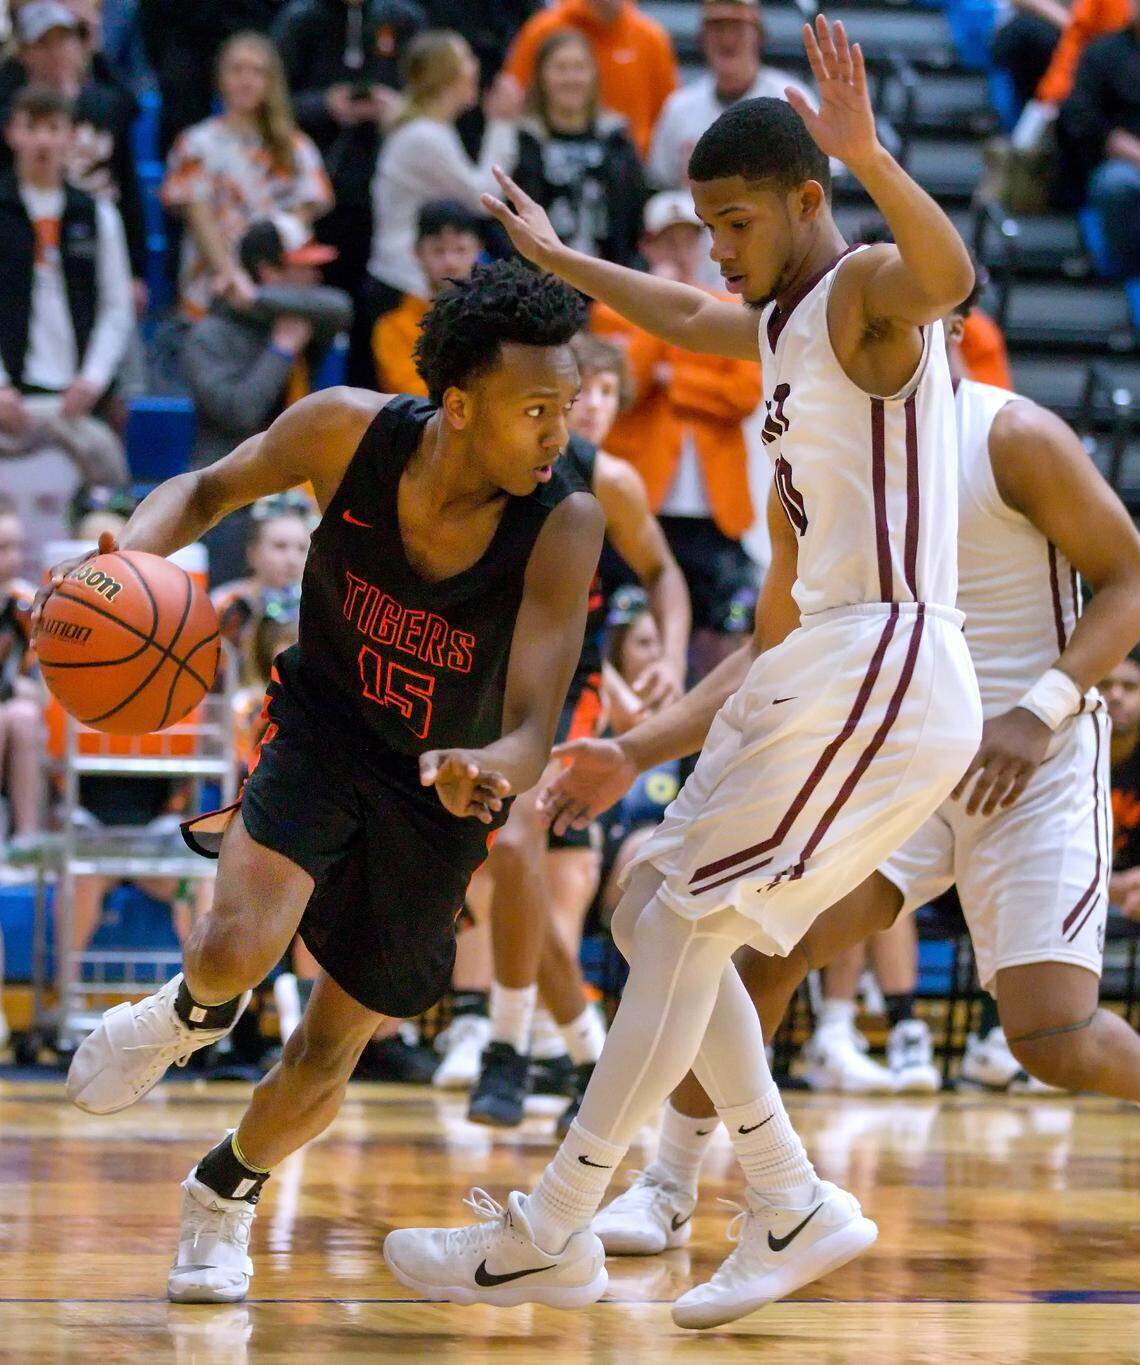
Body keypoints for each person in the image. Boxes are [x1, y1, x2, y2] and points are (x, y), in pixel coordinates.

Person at [386, 17, 981, 1325]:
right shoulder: (779, 328)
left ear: (807, 204)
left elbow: (948, 272)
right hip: (823, 663)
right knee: (649, 899)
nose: (719, 249)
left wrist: (872, 152)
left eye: (735, 222)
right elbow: (678, 310)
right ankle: (784, 1194)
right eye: (707, 225)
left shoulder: (870, 289)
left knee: (689, 916)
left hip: (885, 661)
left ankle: (554, 1219)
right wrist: (557, 259)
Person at [46, 258, 604, 1306]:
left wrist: (483, 767)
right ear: (457, 402)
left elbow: (534, 724)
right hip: (324, 722)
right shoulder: (345, 431)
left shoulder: (563, 522)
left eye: (567, 406)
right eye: (536, 408)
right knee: (233, 945)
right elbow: (208, 487)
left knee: (328, 1046)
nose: (558, 433)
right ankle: (190, 1013)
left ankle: (223, 1193)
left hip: (441, 791)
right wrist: (122, 564)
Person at [587, 268, 1140, 1261]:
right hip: (908, 750)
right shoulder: (833, 461)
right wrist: (635, 748)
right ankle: (665, 1186)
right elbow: (775, 645)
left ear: (955, 332)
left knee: (1051, 1037)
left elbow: (1130, 574)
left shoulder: (1013, 436)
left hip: (1036, 758)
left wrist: (1042, 708)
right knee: (751, 947)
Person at [465, 330, 690, 1134]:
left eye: (598, 393)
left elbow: (664, 571)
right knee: (514, 878)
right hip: (475, 686)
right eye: (572, 391)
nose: (582, 407)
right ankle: (590, 1058)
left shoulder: (608, 480)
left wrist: (665, 647)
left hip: (566, 692)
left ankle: (504, 1046)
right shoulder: (478, 461)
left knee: (521, 850)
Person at [591, 190, 763, 679]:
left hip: (713, 509)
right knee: (632, 628)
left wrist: (678, 384)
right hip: (644, 501)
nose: (679, 253)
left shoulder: (733, 311)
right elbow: (627, 386)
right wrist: (654, 314)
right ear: (646, 247)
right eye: (667, 242)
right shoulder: (614, 313)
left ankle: (701, 751)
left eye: (689, 240)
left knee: (721, 633)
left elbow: (744, 395)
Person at [182, 216, 347, 584]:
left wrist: (254, 297)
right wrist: (281, 352)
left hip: (296, 490)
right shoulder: (209, 336)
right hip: (231, 498)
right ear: (269, 271)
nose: (315, 279)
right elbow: (240, 413)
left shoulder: (305, 317)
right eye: (303, 268)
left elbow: (342, 307)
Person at [271, 0, 425, 385]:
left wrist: (397, 107)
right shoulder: (299, 19)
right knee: (304, 318)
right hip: (312, 198)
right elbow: (271, 101)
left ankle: (367, 423)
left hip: (384, 199)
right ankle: (295, 419)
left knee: (371, 322)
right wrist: (324, 105)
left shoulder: (404, 20)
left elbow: (432, 96)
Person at [0, 85, 132, 487]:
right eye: (31, 127)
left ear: (72, 136)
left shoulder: (97, 213)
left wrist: (93, 378)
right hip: (12, 396)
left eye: (53, 127)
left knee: (104, 492)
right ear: (11, 134)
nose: (42, 140)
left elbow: (116, 305)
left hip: (79, 395)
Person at [161, 31, 334, 319]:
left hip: (280, 285)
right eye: (237, 70)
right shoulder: (196, 143)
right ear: (220, 78)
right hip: (214, 284)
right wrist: (231, 274)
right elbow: (198, 215)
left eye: (257, 71)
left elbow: (305, 211)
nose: (246, 80)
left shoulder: (296, 146)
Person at [366, 30, 521, 316]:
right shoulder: (424, 135)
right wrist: (502, 124)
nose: (475, 66)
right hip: (402, 281)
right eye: (466, 59)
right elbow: (483, 198)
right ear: (445, 75)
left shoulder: (433, 130)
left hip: (409, 274)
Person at [0, 1, 147, 303]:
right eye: (43, 43)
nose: (55, 52)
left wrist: (136, 272)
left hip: (100, 237)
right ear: (25, 52)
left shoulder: (106, 104)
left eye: (64, 39)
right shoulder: (12, 112)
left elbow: (129, 188)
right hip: (29, 236)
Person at [511, 29, 646, 269]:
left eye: (579, 67)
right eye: (560, 68)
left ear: (594, 75)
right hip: (538, 280)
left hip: (610, 279)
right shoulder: (521, 139)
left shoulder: (617, 138)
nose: (571, 78)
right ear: (541, 76)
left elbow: (633, 212)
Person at [648, 0, 813, 191]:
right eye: (717, 28)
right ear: (701, 37)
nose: (727, 39)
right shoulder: (678, 108)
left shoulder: (792, 99)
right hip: (698, 217)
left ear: (758, 35)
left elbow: (822, 180)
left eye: (737, 27)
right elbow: (660, 186)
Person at [503, 0, 678, 161]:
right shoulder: (542, 30)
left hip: (629, 166)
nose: (572, 78)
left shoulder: (651, 38)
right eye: (561, 67)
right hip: (540, 156)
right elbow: (511, 101)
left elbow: (669, 115)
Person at [138, 0, 288, 156]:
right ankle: (184, 163)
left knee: (254, 70)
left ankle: (274, 157)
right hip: (179, 29)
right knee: (180, 92)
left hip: (248, 19)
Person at [1054, 12, 1140, 272]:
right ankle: (1126, 271)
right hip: (1119, 164)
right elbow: (1080, 118)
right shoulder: (1103, 53)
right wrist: (1124, 146)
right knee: (1117, 184)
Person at [372, 199, 483, 396]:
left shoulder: (496, 319)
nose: (450, 262)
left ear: (478, 250)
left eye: (460, 250)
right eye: (438, 251)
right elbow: (410, 393)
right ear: (417, 253)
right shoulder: (393, 327)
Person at [0, 496, 42, 848]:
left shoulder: (31, 606)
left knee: (23, 716)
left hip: (13, 704)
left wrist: (30, 688)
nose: (12, 556)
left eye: (18, 547)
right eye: (2, 547)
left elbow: (45, 680)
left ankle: (27, 835)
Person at [1107, 645, 1140, 921]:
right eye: (1104, 685)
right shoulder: (1056, 755)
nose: (1115, 696)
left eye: (1129, 687)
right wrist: (1106, 886)